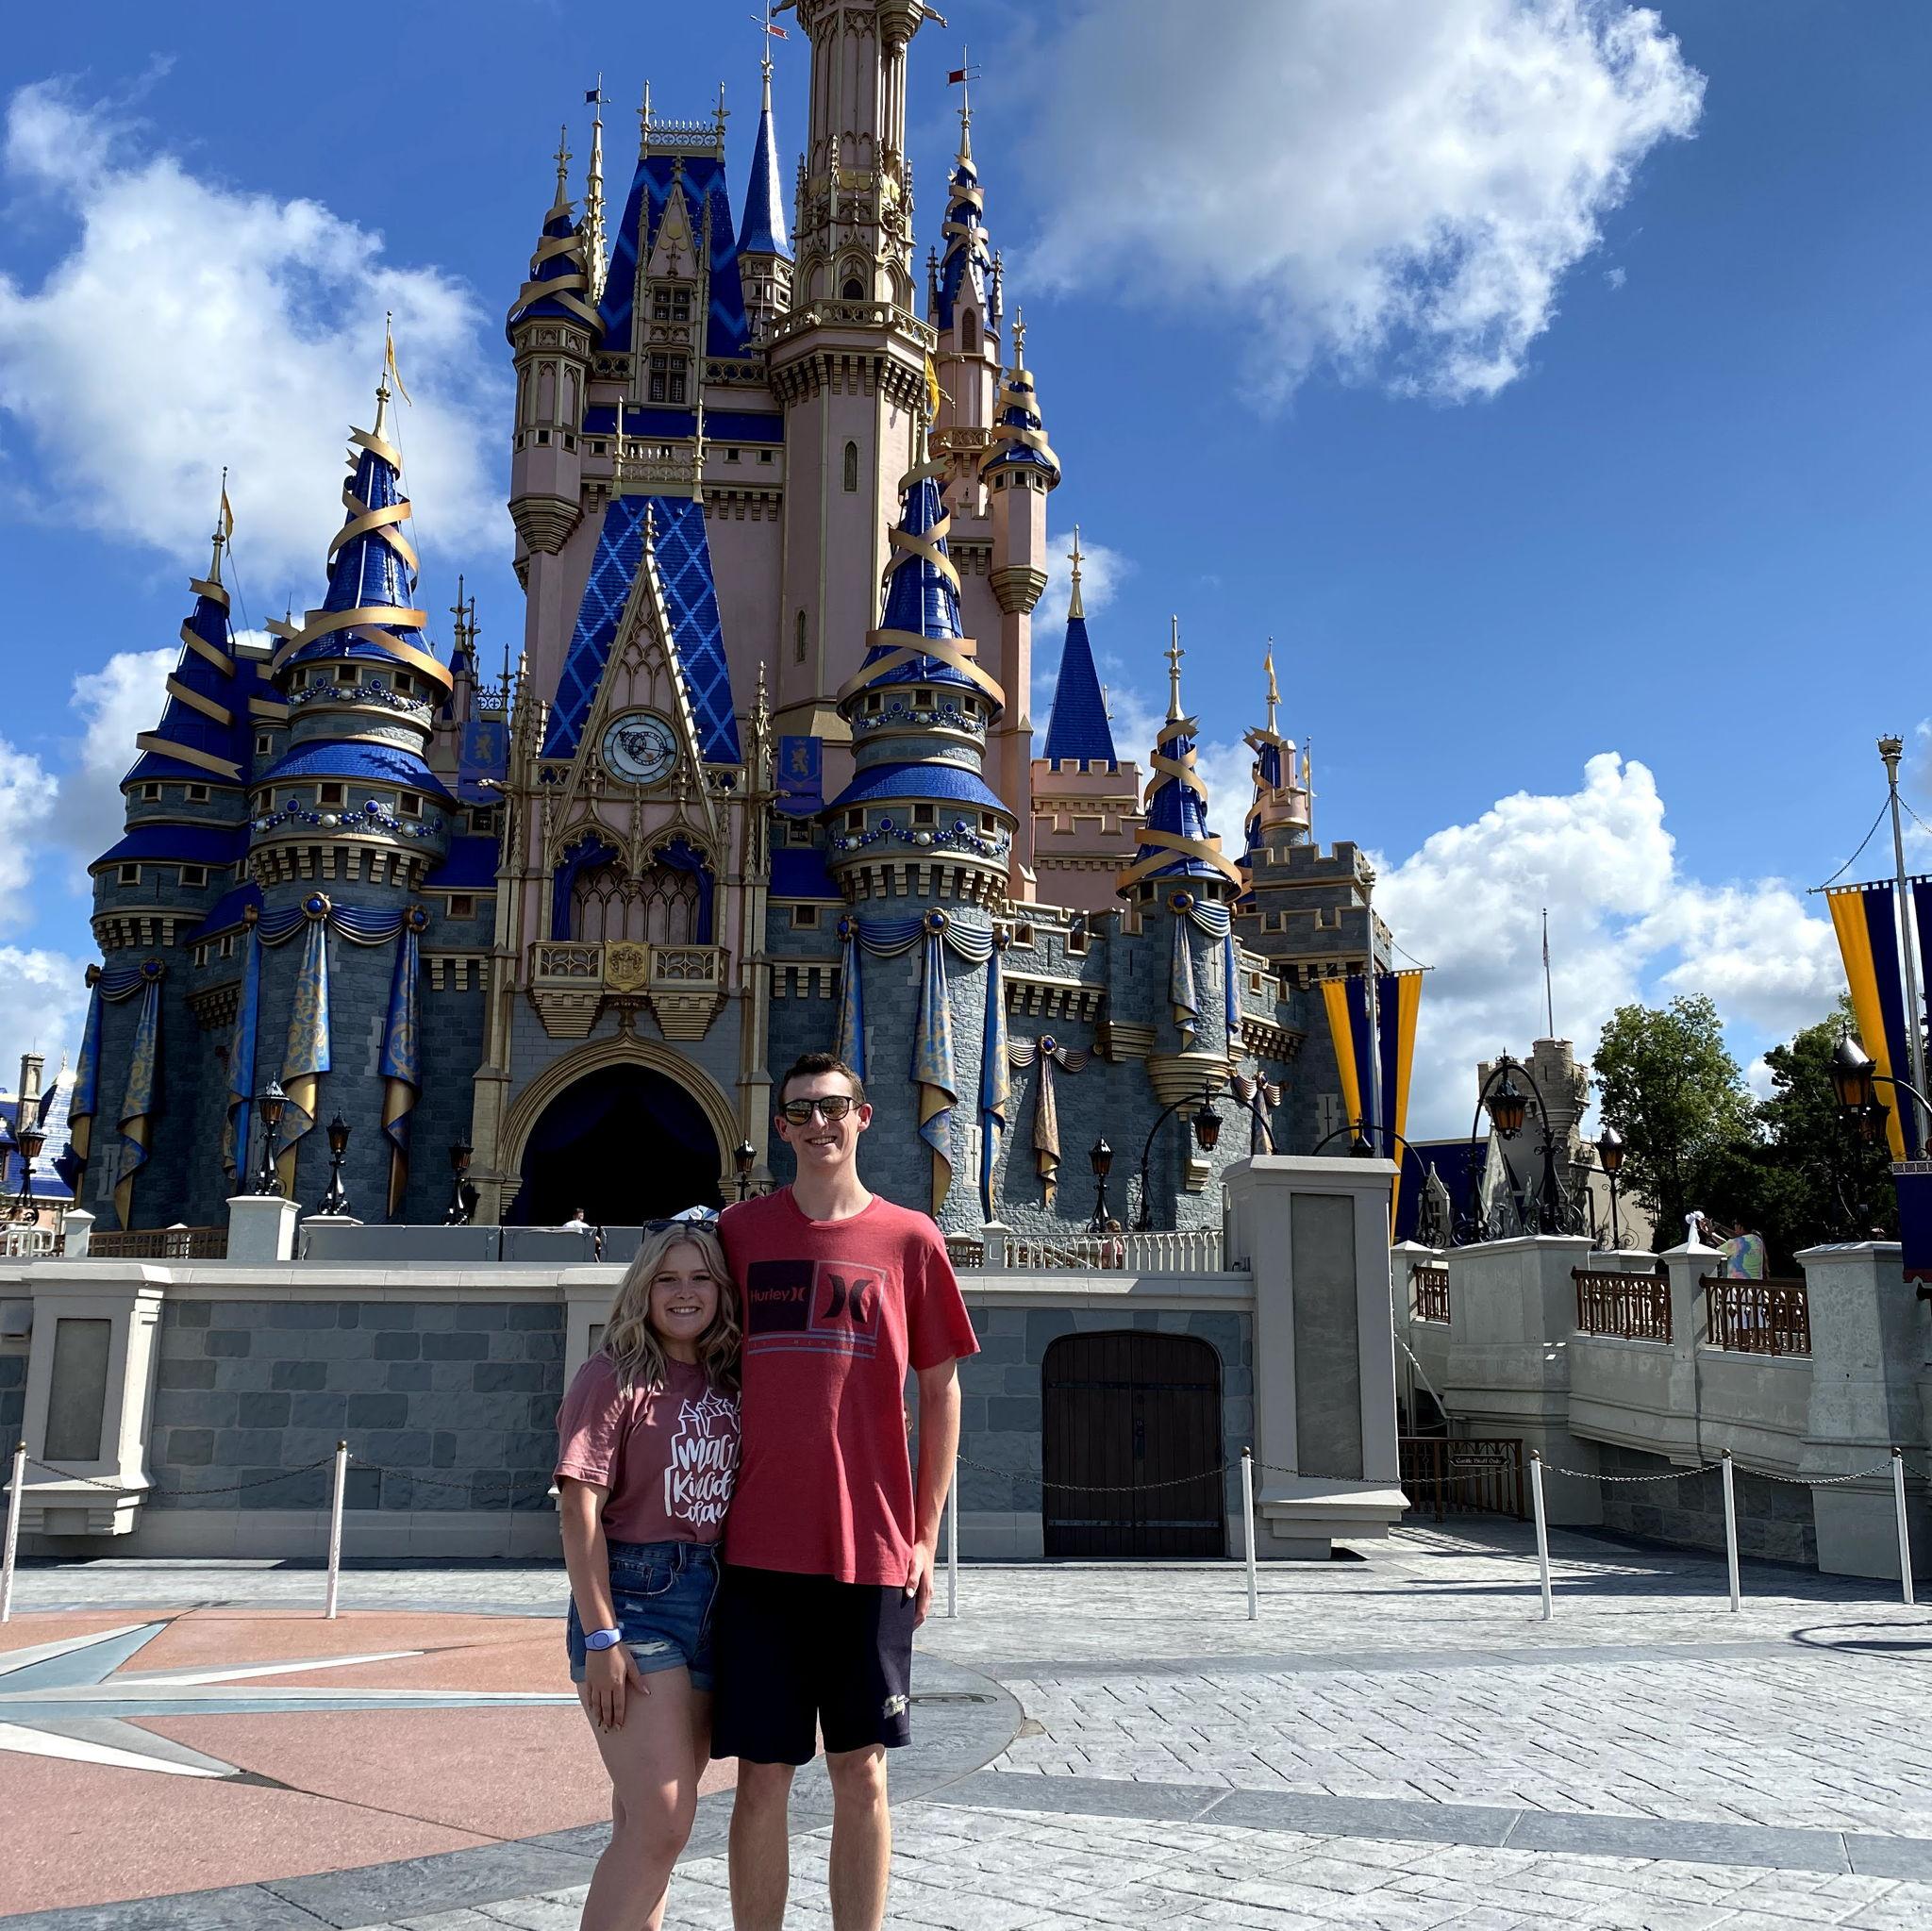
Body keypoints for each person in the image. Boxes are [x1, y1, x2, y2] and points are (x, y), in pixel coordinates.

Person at [712, 1052, 978, 1931]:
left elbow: (939, 1389)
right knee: (761, 1775)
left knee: (861, 1770)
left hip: (869, 1549)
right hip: (755, 1550)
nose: (819, 1122)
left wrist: (925, 1533)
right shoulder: (738, 1235)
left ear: (864, 1117)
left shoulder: (911, 1239)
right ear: (780, 1126)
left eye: (834, 1106)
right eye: (801, 1110)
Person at [555, 1222, 741, 1931]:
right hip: (637, 1598)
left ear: (721, 1291)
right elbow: (579, 1510)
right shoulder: (614, 1373)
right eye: (668, 1278)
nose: (685, 1292)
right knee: (664, 1819)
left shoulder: (732, 1374)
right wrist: (602, 1633)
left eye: (701, 1278)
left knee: (644, 1822)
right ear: (644, 1287)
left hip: (715, 1600)